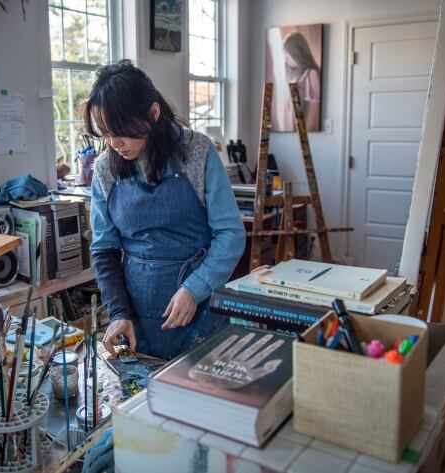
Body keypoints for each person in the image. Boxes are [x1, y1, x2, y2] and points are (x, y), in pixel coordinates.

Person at [84, 60, 245, 360]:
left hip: (200, 308)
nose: (114, 143)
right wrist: (118, 312)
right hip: (133, 318)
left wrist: (194, 289)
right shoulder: (105, 168)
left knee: (198, 396)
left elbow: (232, 234)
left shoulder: (198, 151)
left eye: (121, 131)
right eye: (105, 133)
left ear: (153, 114)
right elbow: (104, 250)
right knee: (134, 394)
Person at [267, 29, 321, 131]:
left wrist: (305, 133)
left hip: (303, 130)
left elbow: (314, 110)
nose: (285, 60)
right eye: (284, 56)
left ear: (297, 53)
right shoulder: (293, 74)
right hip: (292, 128)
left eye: (288, 55)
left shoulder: (311, 74)